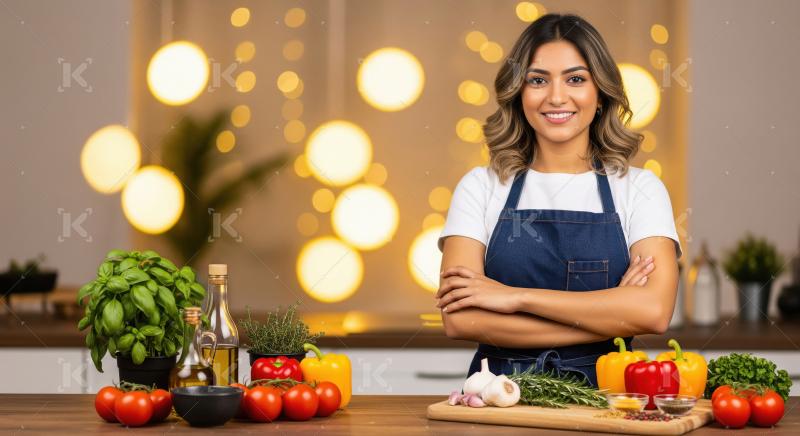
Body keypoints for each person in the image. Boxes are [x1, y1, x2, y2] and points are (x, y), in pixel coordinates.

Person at [435, 13, 682, 388]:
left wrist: (515, 298)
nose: (555, 97)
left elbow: (653, 312)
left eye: (576, 79)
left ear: (600, 93)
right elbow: (461, 320)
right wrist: (611, 313)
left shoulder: (640, 189)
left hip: (606, 401)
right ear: (519, 92)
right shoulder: (480, 187)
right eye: (538, 80)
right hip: (497, 401)